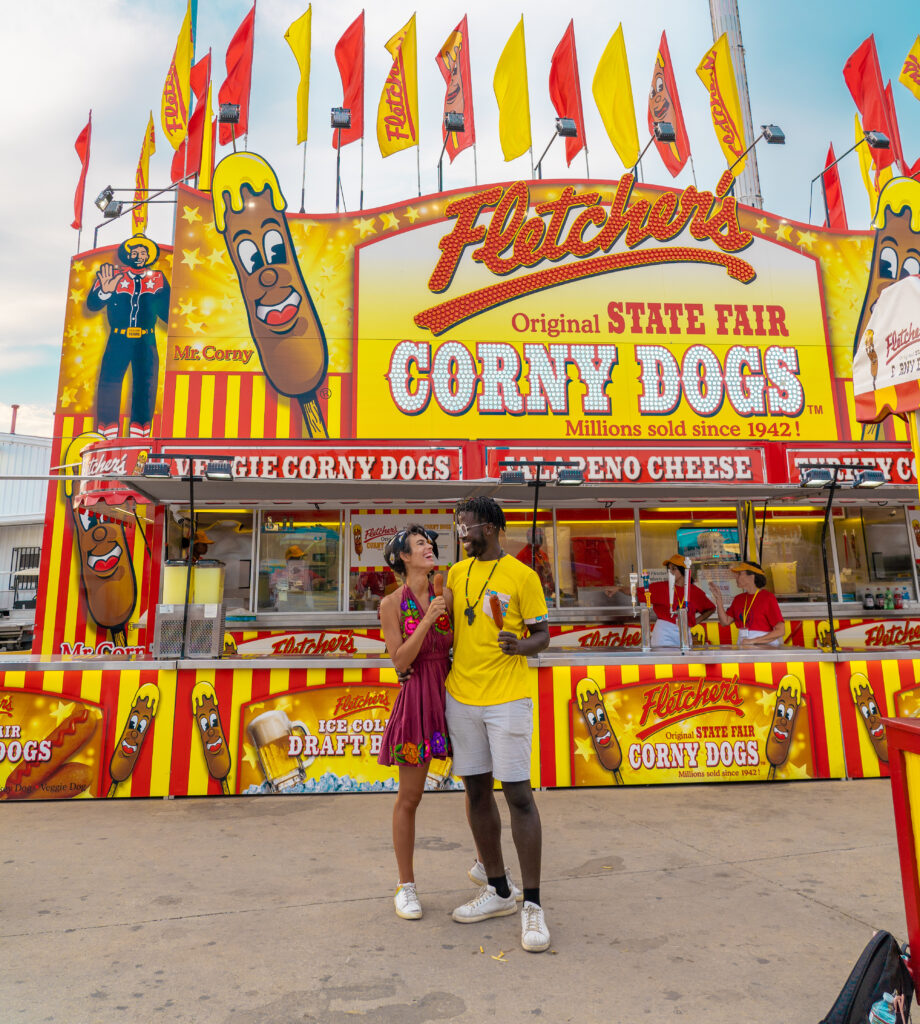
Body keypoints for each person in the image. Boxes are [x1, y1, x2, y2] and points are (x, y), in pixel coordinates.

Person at [446, 496, 552, 953]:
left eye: (465, 526)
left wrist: (521, 646)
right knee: (475, 793)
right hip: (461, 696)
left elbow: (543, 636)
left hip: (507, 697)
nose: (459, 533)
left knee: (518, 796)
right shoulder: (455, 573)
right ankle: (498, 890)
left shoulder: (522, 576)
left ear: (488, 527)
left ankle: (533, 904)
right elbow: (446, 625)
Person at [377, 526, 452, 921]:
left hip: (454, 694)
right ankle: (405, 886)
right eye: (421, 544)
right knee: (410, 798)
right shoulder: (391, 604)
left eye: (430, 544)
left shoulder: (448, 594)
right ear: (403, 557)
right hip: (418, 698)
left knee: (478, 787)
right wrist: (427, 620)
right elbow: (400, 662)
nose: (429, 549)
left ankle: (488, 871)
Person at [636, 555, 715, 647]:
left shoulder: (695, 591)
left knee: (685, 660)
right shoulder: (661, 587)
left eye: (674, 569)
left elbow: (711, 608)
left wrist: (695, 622)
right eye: (669, 569)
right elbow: (636, 592)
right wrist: (619, 588)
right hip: (664, 631)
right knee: (665, 661)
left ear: (683, 571)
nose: (670, 572)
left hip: (685, 630)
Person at [709, 560, 785, 647]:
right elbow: (725, 622)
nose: (736, 577)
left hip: (765, 648)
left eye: (740, 574)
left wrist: (753, 641)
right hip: (744, 645)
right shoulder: (738, 599)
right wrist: (718, 599)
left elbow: (780, 630)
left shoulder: (768, 598)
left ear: (751, 576)